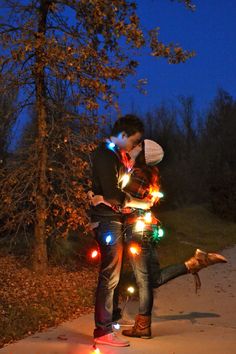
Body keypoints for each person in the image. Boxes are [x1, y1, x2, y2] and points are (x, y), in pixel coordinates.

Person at [90, 139, 228, 340]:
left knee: (145, 280)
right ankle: (193, 264)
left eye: (138, 149)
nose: (133, 150)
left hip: (137, 231)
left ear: (143, 156)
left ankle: (142, 326)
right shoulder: (149, 176)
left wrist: (99, 197)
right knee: (152, 277)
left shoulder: (136, 176)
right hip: (148, 229)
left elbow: (122, 201)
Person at [90, 114, 152, 347]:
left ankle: (106, 326)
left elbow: (117, 188)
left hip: (112, 219)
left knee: (112, 277)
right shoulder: (105, 155)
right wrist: (140, 204)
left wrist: (131, 159)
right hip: (106, 221)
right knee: (109, 277)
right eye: (134, 141)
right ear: (123, 135)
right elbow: (114, 194)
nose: (134, 146)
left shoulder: (115, 155)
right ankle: (103, 332)